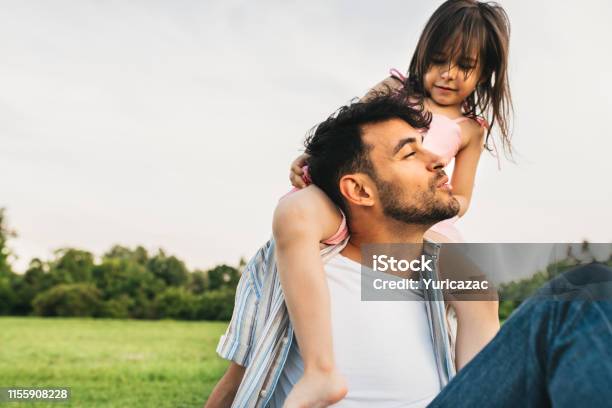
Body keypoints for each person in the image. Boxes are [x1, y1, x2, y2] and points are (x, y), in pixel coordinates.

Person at [205, 95, 612, 407]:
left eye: (425, 145)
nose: (438, 159)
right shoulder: (294, 264)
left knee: (586, 291)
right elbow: (241, 376)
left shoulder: (452, 278)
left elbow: (483, 381)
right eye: (409, 152)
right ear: (359, 190)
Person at [279, 1, 512, 405]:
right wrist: (309, 162)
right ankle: (320, 370)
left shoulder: (471, 129)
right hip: (355, 197)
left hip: (423, 216)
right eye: (438, 60)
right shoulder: (394, 91)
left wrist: (432, 201)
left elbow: (462, 197)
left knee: (479, 294)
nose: (448, 74)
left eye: (465, 66)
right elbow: (344, 135)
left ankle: (473, 396)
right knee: (295, 214)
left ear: (485, 72)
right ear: (423, 52)